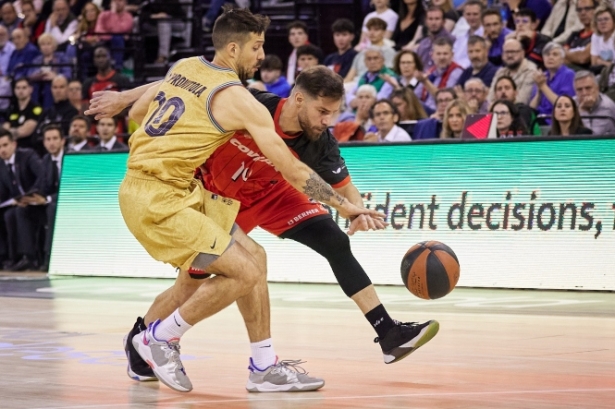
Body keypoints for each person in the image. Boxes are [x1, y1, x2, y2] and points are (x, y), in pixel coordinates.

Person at [87, 7, 388, 393]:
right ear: (233, 49)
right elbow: (294, 171)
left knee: (255, 262)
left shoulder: (186, 65)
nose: (262, 56)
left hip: (166, 188)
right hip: (161, 198)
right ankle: (157, 338)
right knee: (236, 275)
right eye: (257, 47)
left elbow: (145, 108)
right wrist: (347, 206)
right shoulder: (239, 99)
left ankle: (262, 367)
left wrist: (126, 101)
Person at [23, 124, 65, 271]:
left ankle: (49, 258)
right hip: (51, 202)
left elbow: (68, 189)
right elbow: (42, 185)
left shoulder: (70, 157)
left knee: (51, 209)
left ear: (62, 141)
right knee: (21, 211)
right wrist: (30, 197)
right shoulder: (46, 159)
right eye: (48, 139)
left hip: (68, 202)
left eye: (54, 138)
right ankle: (27, 257)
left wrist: (47, 200)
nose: (51, 143)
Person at [0, 128, 43, 272]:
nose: (2, 150)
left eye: (5, 145)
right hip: (18, 204)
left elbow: (42, 177)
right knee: (8, 214)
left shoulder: (28, 156)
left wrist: (29, 197)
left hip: (37, 201)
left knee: (18, 213)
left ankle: (28, 257)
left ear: (14, 144)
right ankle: (12, 257)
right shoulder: (1, 165)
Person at [529, 42, 575, 117]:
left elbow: (562, 105)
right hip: (539, 118)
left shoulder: (569, 74)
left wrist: (543, 86)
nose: (550, 57)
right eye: (547, 54)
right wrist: (539, 92)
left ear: (562, 59)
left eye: (555, 54)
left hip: (555, 119)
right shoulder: (542, 76)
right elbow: (532, 108)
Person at [345, 17, 396, 82]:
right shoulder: (361, 54)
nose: (372, 33)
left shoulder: (389, 52)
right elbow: (349, 77)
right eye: (369, 29)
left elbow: (388, 75)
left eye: (376, 30)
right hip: (355, 84)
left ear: (383, 32)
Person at [489, 38, 538, 105]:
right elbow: (490, 99)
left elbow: (522, 101)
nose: (509, 55)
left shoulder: (531, 71)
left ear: (522, 53)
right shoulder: (500, 72)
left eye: (513, 52)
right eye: (506, 52)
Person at [3, 78, 42, 150]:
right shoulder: (12, 109)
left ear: (31, 89)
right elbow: (4, 128)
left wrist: (9, 132)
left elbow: (26, 130)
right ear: (14, 90)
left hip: (29, 148)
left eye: (24, 88)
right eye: (18, 88)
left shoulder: (35, 108)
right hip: (11, 149)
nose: (20, 91)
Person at [573, 70, 615, 135]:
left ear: (597, 89)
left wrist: (583, 110)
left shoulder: (606, 107)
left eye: (588, 88)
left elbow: (591, 139)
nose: (584, 93)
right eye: (579, 89)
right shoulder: (573, 103)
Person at [415, 6, 455, 70]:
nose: (433, 23)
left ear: (443, 22)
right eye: (430, 19)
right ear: (426, 22)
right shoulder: (423, 43)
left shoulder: (452, 41)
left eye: (437, 19)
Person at [563, 0, 595, 70]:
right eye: (579, 10)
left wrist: (567, 55)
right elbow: (561, 55)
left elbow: (583, 58)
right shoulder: (574, 35)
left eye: (587, 9)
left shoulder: (598, 35)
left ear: (596, 10)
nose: (583, 13)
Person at [452, 0, 484, 69]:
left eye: (475, 14)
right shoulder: (461, 37)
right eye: (468, 14)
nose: (471, 18)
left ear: (482, 14)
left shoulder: (484, 35)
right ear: (464, 15)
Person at [590, 4, 615, 70]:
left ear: (613, 21)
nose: (603, 22)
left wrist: (601, 61)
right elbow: (594, 63)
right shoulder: (595, 36)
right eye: (599, 20)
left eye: (606, 19)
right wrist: (608, 64)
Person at [286, 21, 309, 85]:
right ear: (289, 38)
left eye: (300, 33)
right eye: (293, 34)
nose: (296, 37)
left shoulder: (313, 52)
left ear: (306, 36)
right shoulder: (291, 55)